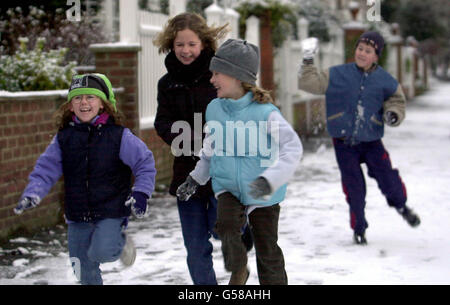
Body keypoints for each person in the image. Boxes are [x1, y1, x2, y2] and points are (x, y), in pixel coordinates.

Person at [177, 39, 303, 285]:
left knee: (267, 250)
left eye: (217, 73)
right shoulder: (214, 109)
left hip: (263, 191)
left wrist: (270, 180)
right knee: (225, 226)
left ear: (236, 76)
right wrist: (195, 178)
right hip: (228, 187)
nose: (211, 79)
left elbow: (292, 147)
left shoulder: (265, 113)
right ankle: (239, 269)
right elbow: (210, 148)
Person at [13, 73, 156, 284]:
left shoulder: (119, 136)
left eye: (91, 97)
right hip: (77, 213)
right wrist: (33, 193)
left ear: (103, 104)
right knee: (81, 267)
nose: (84, 102)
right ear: (70, 106)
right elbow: (46, 169)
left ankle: (120, 242)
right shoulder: (64, 138)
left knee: (101, 252)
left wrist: (141, 192)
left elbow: (144, 163)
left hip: (110, 211)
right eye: (78, 98)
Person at [298, 31, 420, 245]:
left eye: (368, 51)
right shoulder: (338, 74)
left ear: (376, 56)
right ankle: (359, 227)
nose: (362, 53)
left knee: (388, 178)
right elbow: (309, 83)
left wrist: (393, 114)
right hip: (344, 143)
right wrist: (308, 57)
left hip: (371, 140)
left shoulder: (385, 81)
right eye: (360, 49)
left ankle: (402, 206)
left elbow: (397, 101)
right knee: (354, 186)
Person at [153, 13, 234, 285]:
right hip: (185, 170)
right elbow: (161, 121)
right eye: (179, 45)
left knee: (221, 229)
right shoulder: (167, 84)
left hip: (220, 171)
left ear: (204, 43)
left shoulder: (219, 76)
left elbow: (236, 112)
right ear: (171, 45)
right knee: (195, 245)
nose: (185, 50)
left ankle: (240, 238)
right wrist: (187, 140)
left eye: (191, 44)